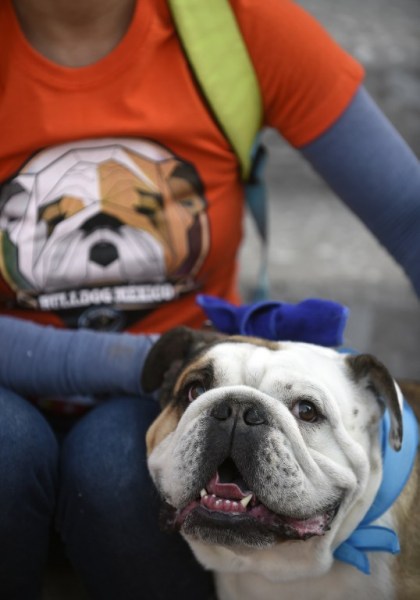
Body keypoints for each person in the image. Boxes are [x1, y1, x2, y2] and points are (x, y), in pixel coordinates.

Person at [0, 0, 419, 598]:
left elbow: (410, 217)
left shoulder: (234, 24)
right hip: (130, 374)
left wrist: (191, 373)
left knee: (117, 471)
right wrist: (150, 361)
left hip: (177, 390)